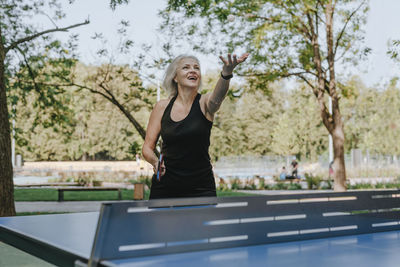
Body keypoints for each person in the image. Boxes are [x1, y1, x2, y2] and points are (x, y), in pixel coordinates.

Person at [142, 53, 249, 199]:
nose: (193, 70)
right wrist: (155, 161)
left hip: (201, 187)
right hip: (166, 186)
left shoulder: (205, 103)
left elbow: (218, 97)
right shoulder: (162, 106)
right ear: (175, 77)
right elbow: (147, 147)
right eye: (186, 67)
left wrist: (226, 73)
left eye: (196, 68)